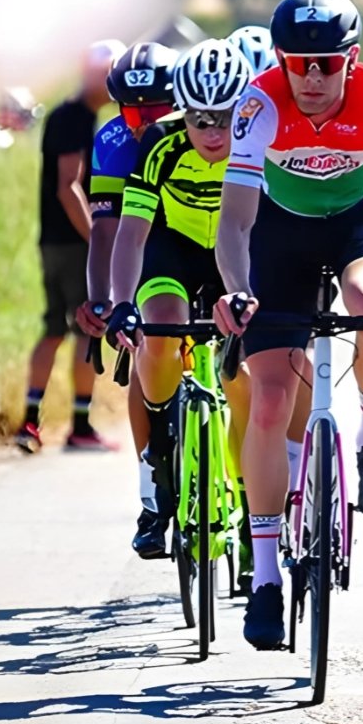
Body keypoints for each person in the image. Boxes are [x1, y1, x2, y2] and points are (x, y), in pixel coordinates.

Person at [213, 0, 363, 650]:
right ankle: (263, 579)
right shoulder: (258, 103)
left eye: (327, 64)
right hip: (278, 233)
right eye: (298, 63)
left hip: (356, 221)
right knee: (268, 400)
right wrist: (234, 289)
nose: (312, 78)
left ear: (353, 58)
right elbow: (234, 221)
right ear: (280, 59)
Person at [103, 40, 255, 557]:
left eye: (225, 119)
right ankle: (158, 458)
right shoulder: (161, 146)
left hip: (235, 258)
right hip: (173, 252)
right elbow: (130, 234)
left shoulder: (261, 142)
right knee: (160, 334)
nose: (213, 133)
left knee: (244, 379)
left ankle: (249, 492)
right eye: (199, 120)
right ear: (180, 113)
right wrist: (121, 301)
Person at [75, 42, 180, 551]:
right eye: (132, 110)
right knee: (144, 351)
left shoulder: (200, 132)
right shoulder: (114, 139)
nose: (142, 120)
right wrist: (103, 301)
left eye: (157, 109)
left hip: (197, 241)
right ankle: (152, 492)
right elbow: (105, 230)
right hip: (141, 249)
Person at [15, 39, 125, 454]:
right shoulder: (75, 118)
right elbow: (69, 186)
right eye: (109, 75)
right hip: (72, 243)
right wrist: (98, 238)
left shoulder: (78, 116)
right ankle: (78, 426)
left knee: (56, 330)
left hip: (55, 241)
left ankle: (31, 422)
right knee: (86, 329)